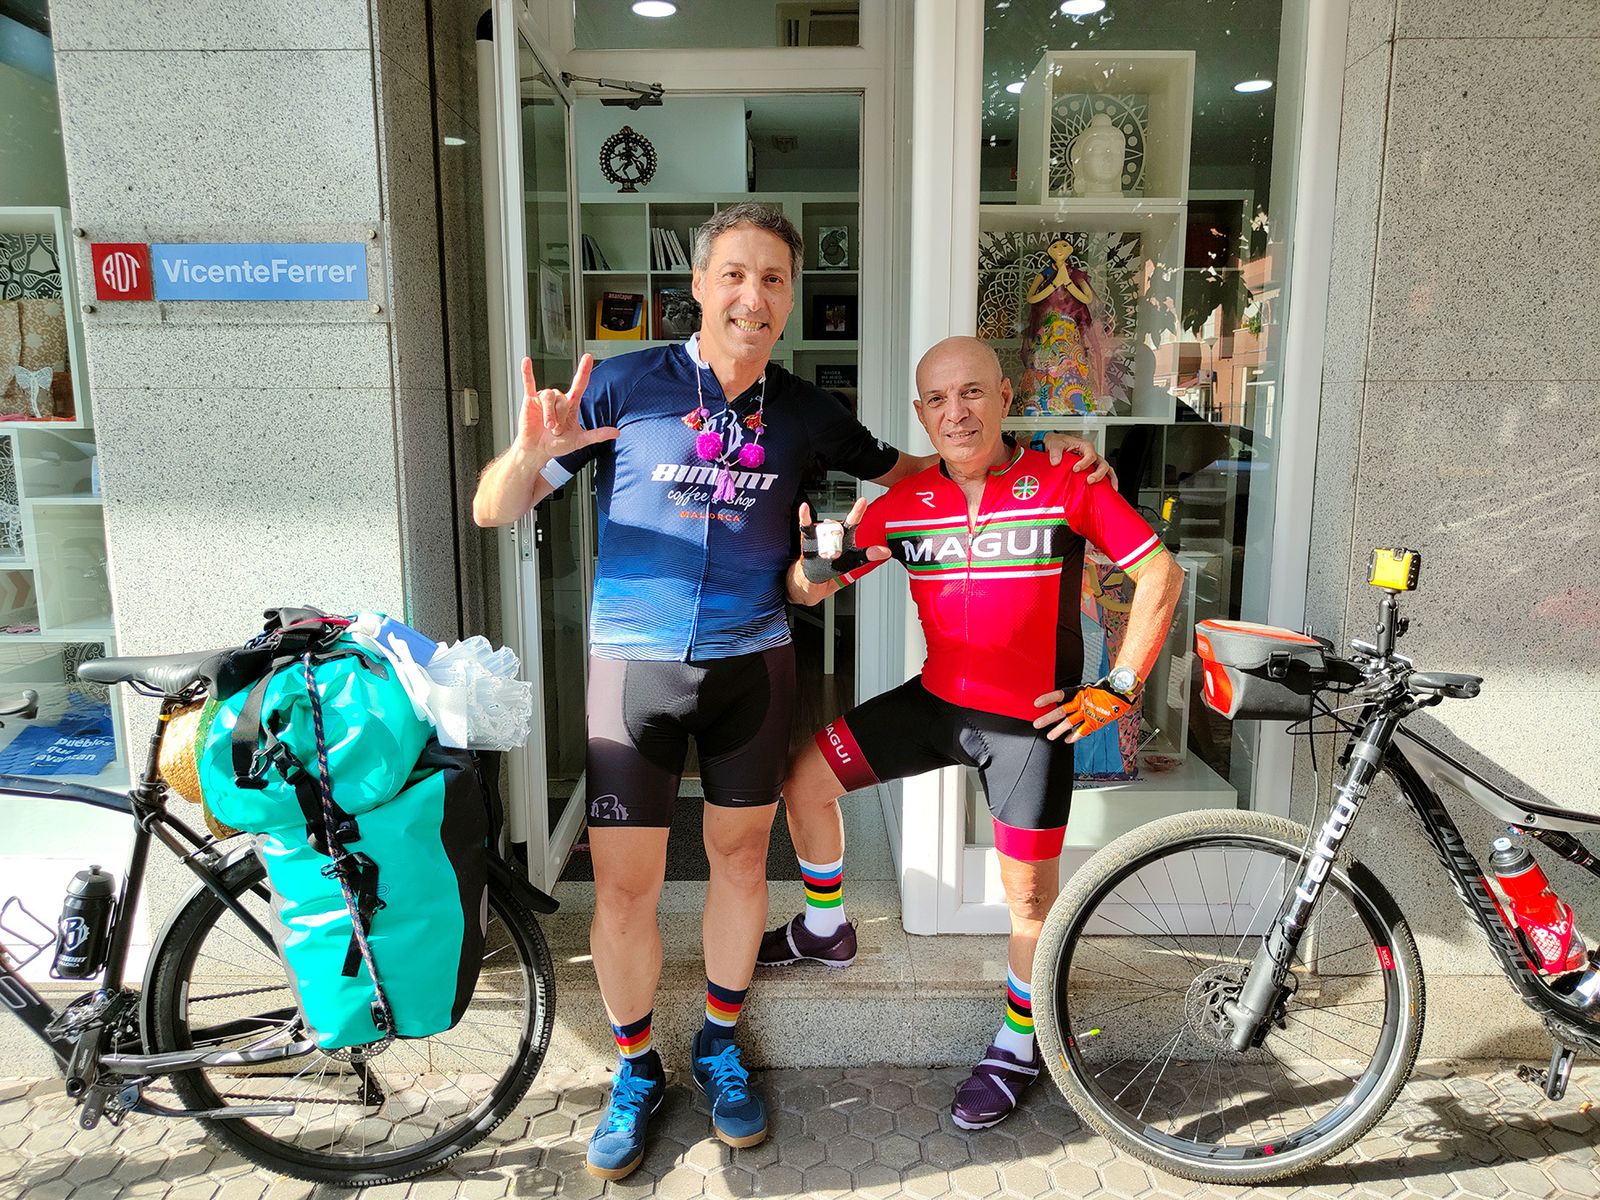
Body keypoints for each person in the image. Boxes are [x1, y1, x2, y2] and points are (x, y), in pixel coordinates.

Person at [472, 205, 1110, 1180]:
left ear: (787, 299)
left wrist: (1047, 475)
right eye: (734, 275)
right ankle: (636, 1070)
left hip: (755, 668)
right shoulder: (625, 381)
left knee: (737, 864)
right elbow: (494, 509)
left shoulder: (807, 410)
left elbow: (923, 476)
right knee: (625, 890)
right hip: (631, 670)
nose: (752, 297)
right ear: (699, 285)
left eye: (772, 280)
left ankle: (719, 1046)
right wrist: (527, 454)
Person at [761, 334, 1185, 1130]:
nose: (955, 413)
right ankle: (825, 928)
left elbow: (1159, 573)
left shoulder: (1065, 478)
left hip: (1030, 726)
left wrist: (1117, 690)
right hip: (937, 703)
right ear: (920, 414)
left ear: (1003, 394)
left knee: (1028, 900)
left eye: (971, 393)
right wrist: (817, 560)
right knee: (804, 779)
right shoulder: (904, 502)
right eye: (937, 400)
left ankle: (1018, 1045)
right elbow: (809, 591)